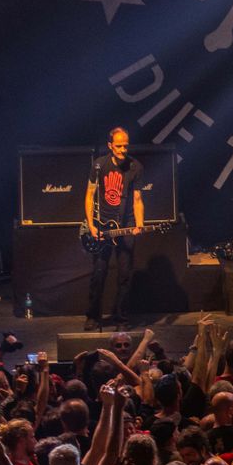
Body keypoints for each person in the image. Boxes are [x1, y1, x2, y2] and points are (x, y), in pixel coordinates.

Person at [84, 126, 145, 331]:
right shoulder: (99, 165)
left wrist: (139, 223)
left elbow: (137, 199)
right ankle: (93, 317)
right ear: (110, 145)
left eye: (125, 145)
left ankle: (121, 319)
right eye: (118, 145)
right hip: (102, 225)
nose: (122, 149)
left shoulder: (135, 167)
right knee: (99, 273)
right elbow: (90, 195)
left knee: (125, 274)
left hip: (125, 224)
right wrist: (91, 224)